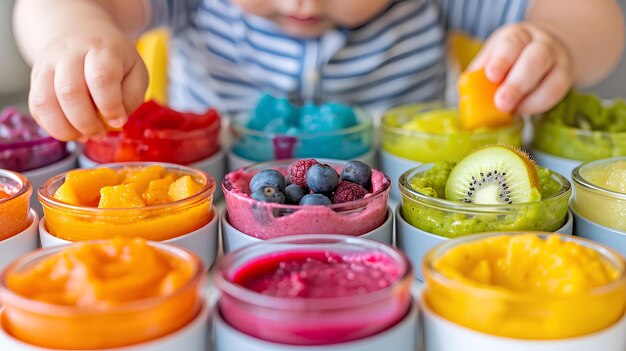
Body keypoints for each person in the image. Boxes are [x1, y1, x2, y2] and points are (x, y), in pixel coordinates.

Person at [13, 0, 625, 141]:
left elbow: (597, 18)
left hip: (387, 207)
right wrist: (76, 38)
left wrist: (558, 41)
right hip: (218, 206)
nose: (301, 1)